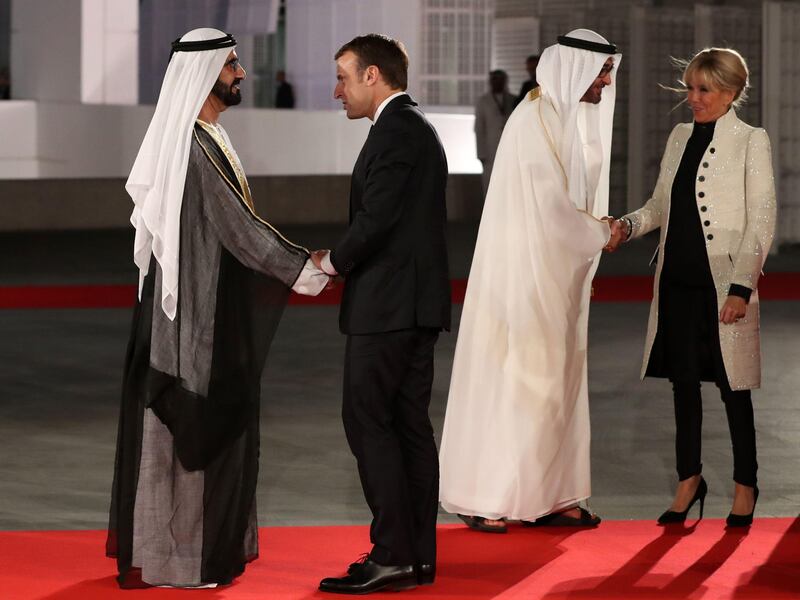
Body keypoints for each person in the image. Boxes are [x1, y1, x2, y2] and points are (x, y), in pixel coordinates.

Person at [106, 28, 329, 589]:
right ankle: (181, 562)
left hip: (200, 305)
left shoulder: (205, 136)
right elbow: (240, 229)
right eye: (233, 63)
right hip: (193, 317)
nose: (242, 72)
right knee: (191, 428)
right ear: (205, 73)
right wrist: (306, 268)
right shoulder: (196, 146)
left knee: (185, 431)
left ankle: (172, 556)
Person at [439, 29, 624, 533]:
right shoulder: (533, 118)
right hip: (521, 277)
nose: (607, 82)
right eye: (602, 72)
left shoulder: (571, 121)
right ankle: (486, 496)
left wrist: (589, 253)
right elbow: (550, 207)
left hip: (560, 277)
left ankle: (553, 493)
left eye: (609, 71)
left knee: (558, 385)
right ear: (574, 69)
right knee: (518, 382)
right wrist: (601, 234)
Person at [609, 48, 776, 527]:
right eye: (690, 88)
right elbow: (661, 203)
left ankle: (746, 485)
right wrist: (626, 224)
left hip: (723, 285)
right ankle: (690, 479)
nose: (693, 98)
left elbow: (762, 219)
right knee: (683, 386)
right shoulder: (680, 136)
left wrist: (742, 287)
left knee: (732, 388)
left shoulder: (751, 140)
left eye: (703, 90)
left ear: (730, 92)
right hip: (677, 282)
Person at [313, 34, 450, 594]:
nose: (335, 90)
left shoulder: (396, 132)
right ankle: (416, 555)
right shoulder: (414, 128)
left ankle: (393, 553)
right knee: (408, 427)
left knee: (369, 423)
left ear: (374, 76)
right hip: (412, 307)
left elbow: (377, 220)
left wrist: (331, 262)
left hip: (387, 308)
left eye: (343, 77)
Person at [475, 69, 517, 196]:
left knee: (509, 184)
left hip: (510, 149)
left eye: (500, 79)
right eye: (494, 79)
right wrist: (481, 153)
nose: (497, 82)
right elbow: (479, 128)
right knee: (490, 185)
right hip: (490, 151)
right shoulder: (483, 101)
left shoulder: (513, 99)